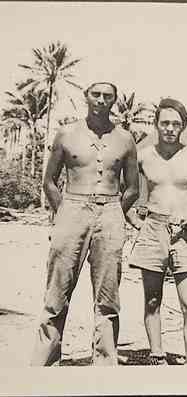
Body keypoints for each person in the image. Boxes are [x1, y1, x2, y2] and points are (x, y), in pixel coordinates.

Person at [31, 81, 139, 366]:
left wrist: (114, 213)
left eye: (108, 96)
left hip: (111, 210)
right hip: (73, 207)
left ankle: (104, 365)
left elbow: (133, 188)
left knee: (108, 296)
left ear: (114, 101)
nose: (101, 100)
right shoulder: (67, 133)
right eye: (96, 94)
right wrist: (65, 212)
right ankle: (43, 365)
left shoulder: (125, 138)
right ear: (86, 97)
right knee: (57, 291)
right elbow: (49, 181)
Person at [129, 98, 187, 365]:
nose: (170, 128)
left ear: (183, 126)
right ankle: (157, 355)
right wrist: (134, 220)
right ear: (156, 124)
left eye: (176, 124)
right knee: (152, 300)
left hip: (186, 233)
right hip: (153, 229)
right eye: (165, 123)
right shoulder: (143, 155)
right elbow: (124, 190)